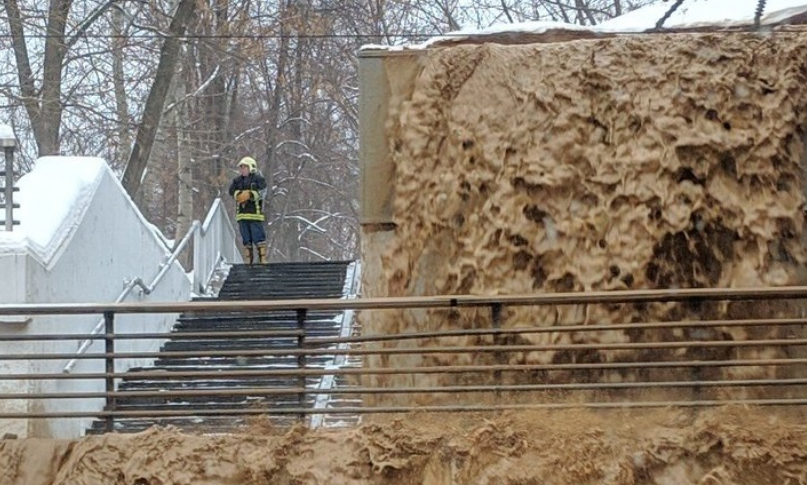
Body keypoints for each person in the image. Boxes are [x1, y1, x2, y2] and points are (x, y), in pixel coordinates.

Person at [228, 156, 268, 264]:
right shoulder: (237, 181)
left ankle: (262, 258)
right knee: (246, 239)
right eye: (241, 168)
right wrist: (238, 195)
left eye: (244, 167)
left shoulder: (258, 179)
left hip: (255, 214)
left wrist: (251, 194)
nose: (242, 170)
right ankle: (249, 259)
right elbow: (231, 191)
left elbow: (263, 192)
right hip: (242, 214)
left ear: (251, 167)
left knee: (258, 236)